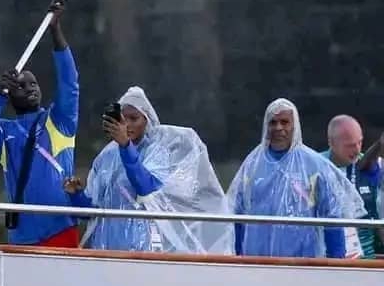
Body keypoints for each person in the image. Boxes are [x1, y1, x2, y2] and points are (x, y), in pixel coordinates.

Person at [63, 86, 233, 254]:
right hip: (107, 250)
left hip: (144, 250)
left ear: (147, 119)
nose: (127, 124)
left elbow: (147, 190)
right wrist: (76, 195)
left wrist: (125, 146)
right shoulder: (106, 158)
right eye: (123, 119)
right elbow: (94, 211)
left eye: (133, 118)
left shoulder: (159, 150)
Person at [0, 0, 79, 247]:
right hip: (21, 235)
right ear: (10, 95)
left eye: (34, 84)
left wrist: (55, 31)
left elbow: (70, 83)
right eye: (21, 85)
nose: (30, 88)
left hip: (59, 229)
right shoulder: (4, 133)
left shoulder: (59, 121)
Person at [229, 98, 365, 259]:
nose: (279, 127)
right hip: (257, 262)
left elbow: (332, 218)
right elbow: (237, 213)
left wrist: (338, 262)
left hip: (302, 264)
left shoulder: (314, 165)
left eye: (285, 122)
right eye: (273, 122)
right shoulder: (252, 164)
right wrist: (238, 257)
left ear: (295, 125)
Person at [322, 115, 384, 258]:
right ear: (331, 143)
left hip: (366, 263)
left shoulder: (375, 167)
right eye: (350, 145)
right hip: (326, 263)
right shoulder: (315, 168)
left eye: (360, 142)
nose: (357, 150)